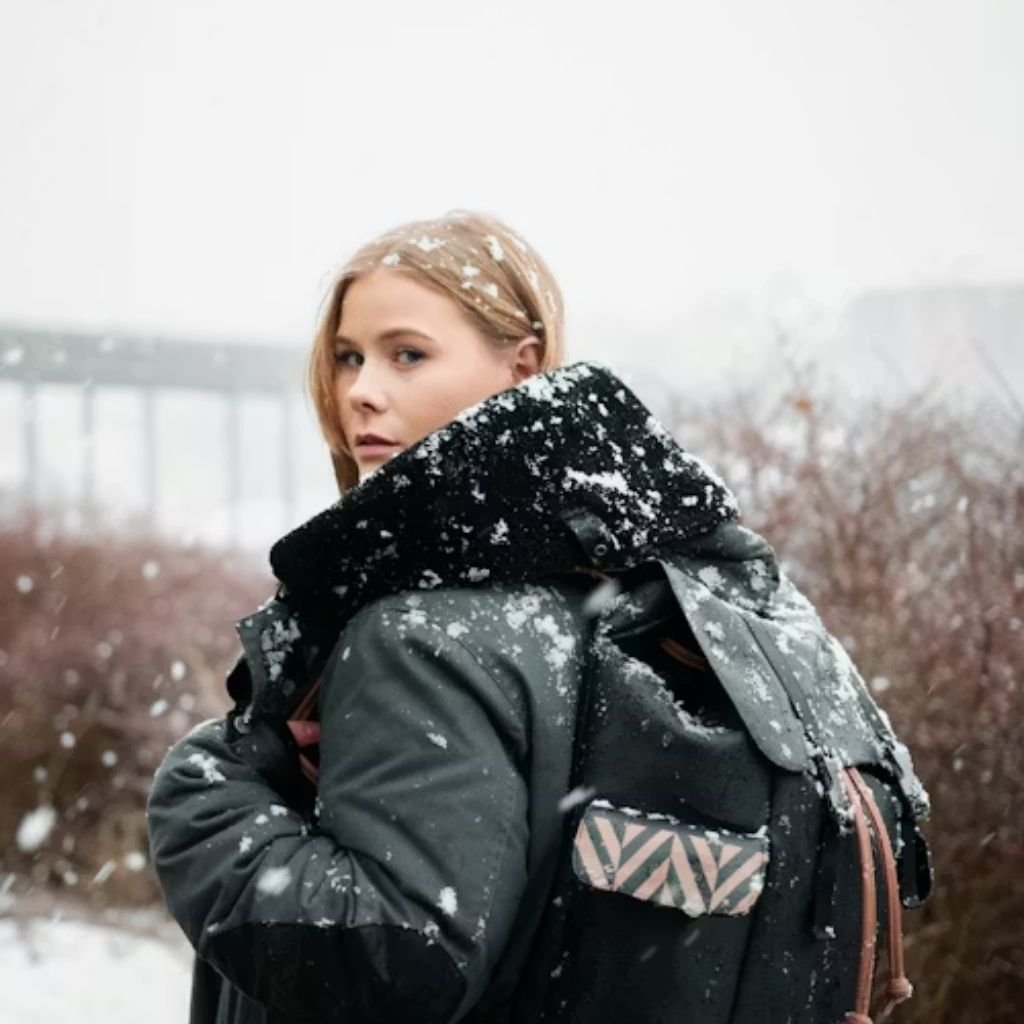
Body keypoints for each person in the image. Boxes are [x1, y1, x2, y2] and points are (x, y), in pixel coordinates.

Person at [146, 210, 931, 1024]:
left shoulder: (421, 638)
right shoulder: (657, 596)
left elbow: (395, 966)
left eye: (406, 354)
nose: (359, 391)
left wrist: (206, 791)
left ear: (522, 366)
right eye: (348, 357)